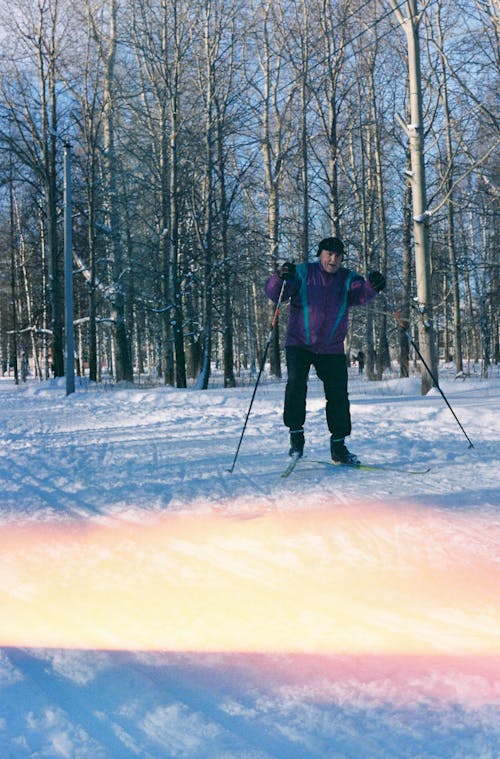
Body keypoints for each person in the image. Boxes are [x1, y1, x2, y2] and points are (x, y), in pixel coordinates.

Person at [265, 236, 385, 465]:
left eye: (338, 256)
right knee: (296, 384)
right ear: (320, 254)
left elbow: (361, 293)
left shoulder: (348, 278)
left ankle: (338, 446)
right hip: (299, 343)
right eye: (329, 254)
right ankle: (296, 438)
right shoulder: (302, 273)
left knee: (339, 393)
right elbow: (274, 293)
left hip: (331, 347)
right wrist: (280, 277)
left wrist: (373, 286)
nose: (333, 259)